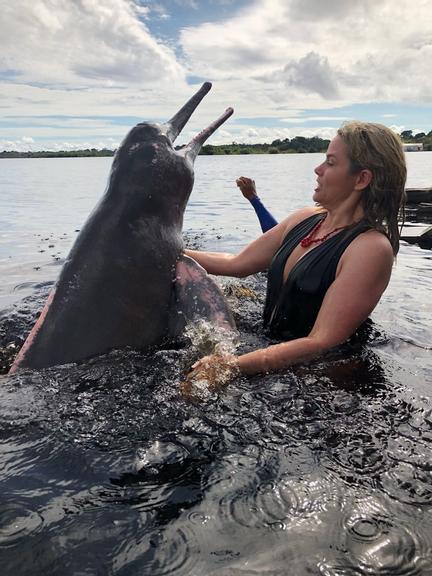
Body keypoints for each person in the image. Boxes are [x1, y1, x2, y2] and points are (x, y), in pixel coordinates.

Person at [183, 121, 407, 390]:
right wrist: (168, 252)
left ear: (361, 179)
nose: (318, 169)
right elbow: (237, 264)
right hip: (270, 352)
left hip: (321, 379)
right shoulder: (305, 218)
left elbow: (322, 342)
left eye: (331, 163)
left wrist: (231, 365)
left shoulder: (369, 248)